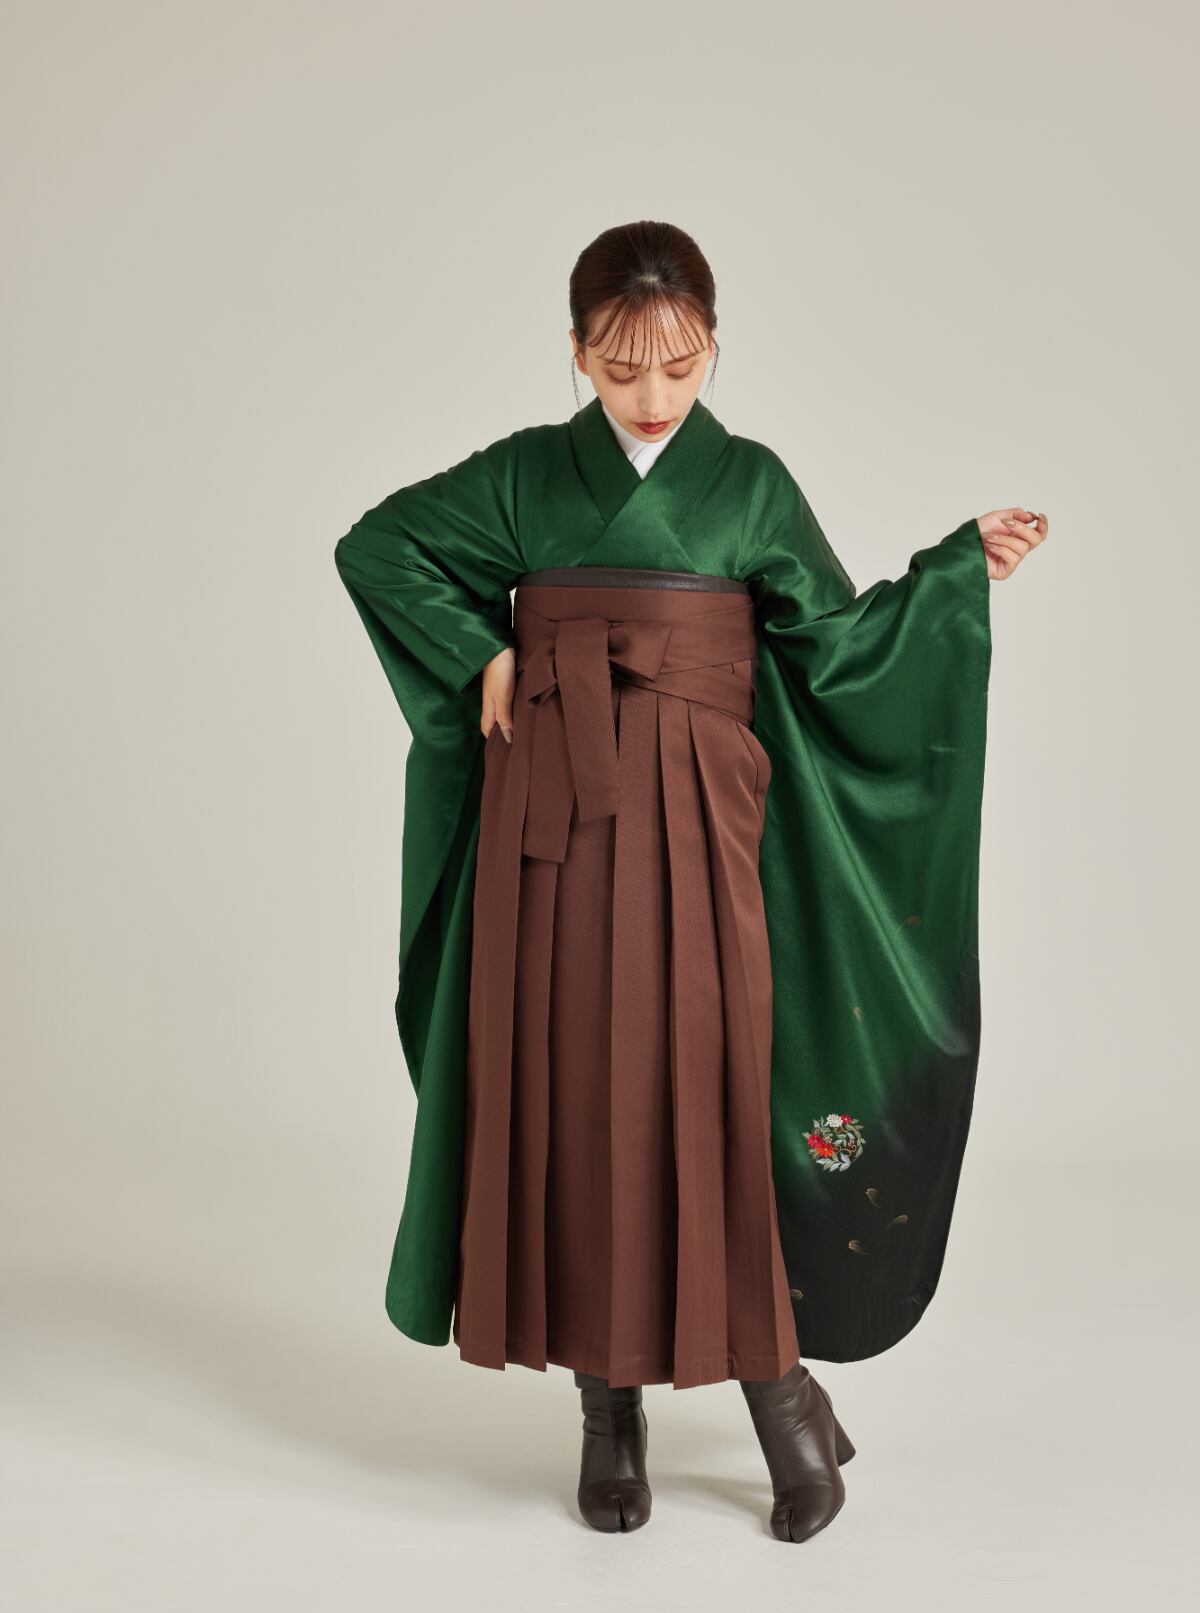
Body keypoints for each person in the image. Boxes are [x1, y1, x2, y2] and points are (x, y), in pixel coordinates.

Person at [332, 219, 1047, 1543]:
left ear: (715, 346)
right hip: (550, 821)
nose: (652, 395)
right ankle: (608, 1414)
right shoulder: (524, 476)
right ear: (576, 353)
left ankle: (785, 1404)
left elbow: (840, 650)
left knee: (716, 1091)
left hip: (704, 822)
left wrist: (954, 572)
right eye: (620, 370)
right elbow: (377, 546)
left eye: (678, 365)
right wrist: (485, 654)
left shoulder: (752, 486)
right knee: (573, 1091)